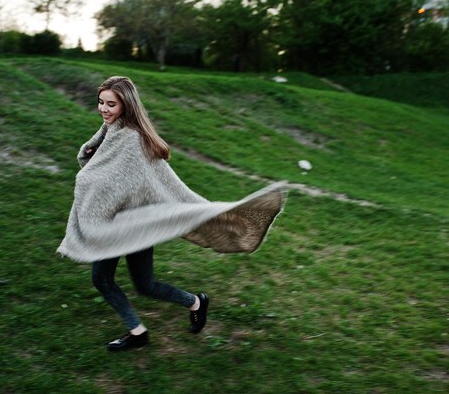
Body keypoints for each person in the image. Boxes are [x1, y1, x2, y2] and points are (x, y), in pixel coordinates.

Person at [58, 76, 286, 352]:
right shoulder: (110, 133)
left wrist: (204, 212)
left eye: (111, 104)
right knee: (144, 285)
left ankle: (148, 327)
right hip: (122, 222)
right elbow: (101, 174)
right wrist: (94, 159)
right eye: (101, 102)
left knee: (109, 280)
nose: (104, 109)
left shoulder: (131, 140)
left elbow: (151, 183)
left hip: (130, 224)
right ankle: (190, 305)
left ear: (127, 106)